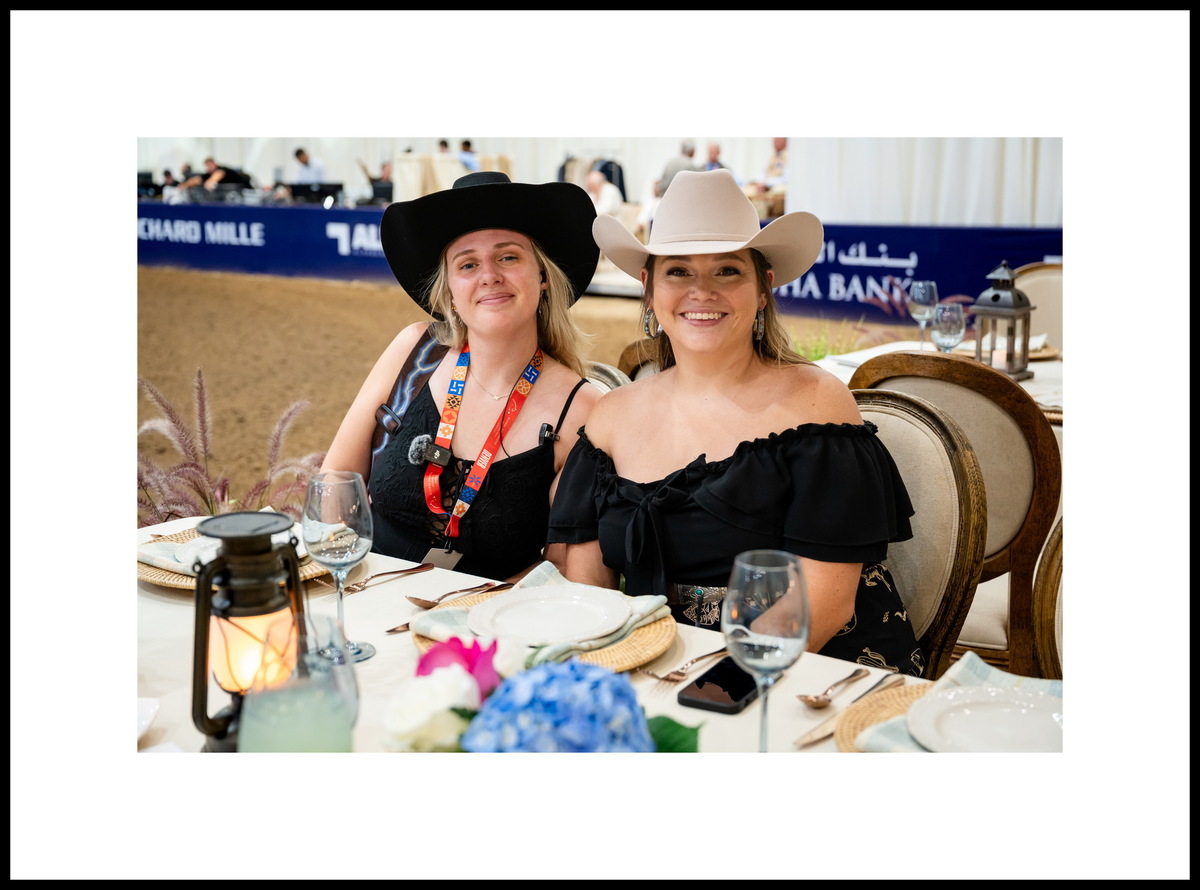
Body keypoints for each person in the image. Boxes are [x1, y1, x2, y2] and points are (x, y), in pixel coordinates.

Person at [548, 169, 925, 676]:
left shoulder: (816, 405)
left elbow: (824, 607)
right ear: (648, 287)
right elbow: (586, 586)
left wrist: (710, 689)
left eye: (728, 271)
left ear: (764, 287)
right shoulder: (611, 417)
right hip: (654, 663)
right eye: (678, 271)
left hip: (806, 671)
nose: (702, 291)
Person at [321, 171, 604, 582]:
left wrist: (460, 616)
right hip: (367, 594)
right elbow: (336, 480)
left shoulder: (581, 409)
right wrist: (346, 580)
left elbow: (560, 566)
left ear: (543, 277)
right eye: (467, 263)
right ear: (450, 290)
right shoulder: (413, 352)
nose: (489, 275)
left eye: (508, 256)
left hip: (487, 630)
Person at [178, 157, 252, 193]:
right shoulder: (209, 174)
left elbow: (218, 175)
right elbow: (198, 179)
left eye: (210, 165)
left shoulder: (222, 169)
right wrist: (185, 185)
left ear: (214, 163)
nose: (208, 168)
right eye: (207, 166)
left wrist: (211, 181)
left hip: (246, 191)